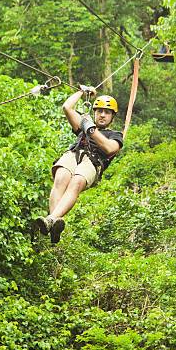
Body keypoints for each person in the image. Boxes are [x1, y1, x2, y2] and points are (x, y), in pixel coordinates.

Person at [35, 86, 123, 243]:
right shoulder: (83, 126)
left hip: (93, 161)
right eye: (99, 111)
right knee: (61, 176)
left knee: (76, 182)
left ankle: (52, 218)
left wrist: (90, 129)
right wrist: (83, 92)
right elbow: (67, 107)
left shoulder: (115, 135)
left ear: (112, 117)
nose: (102, 115)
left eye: (107, 112)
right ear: (94, 112)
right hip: (75, 153)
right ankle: (54, 222)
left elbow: (109, 149)